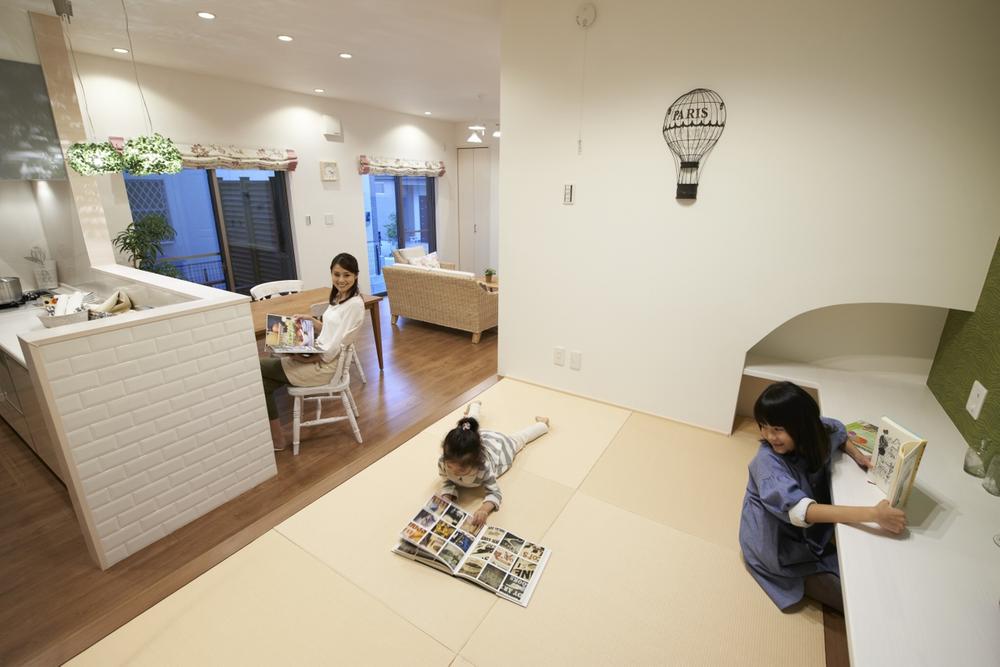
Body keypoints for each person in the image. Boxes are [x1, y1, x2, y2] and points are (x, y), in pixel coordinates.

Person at [739, 381, 907, 612]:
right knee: (858, 600)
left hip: (803, 534)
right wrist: (873, 514)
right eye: (764, 427)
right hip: (776, 545)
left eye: (777, 429)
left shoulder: (816, 433)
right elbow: (802, 512)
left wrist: (856, 454)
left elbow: (838, 430)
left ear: (802, 426)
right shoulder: (767, 464)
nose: (769, 436)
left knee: (868, 575)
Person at [259, 253, 365, 451]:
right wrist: (311, 322)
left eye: (347, 275)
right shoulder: (340, 298)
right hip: (319, 355)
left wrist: (304, 357)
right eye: (337, 274)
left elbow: (334, 349)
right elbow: (331, 331)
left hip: (323, 367)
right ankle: (277, 438)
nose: (341, 280)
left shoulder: (354, 305)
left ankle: (277, 439)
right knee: (263, 382)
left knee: (257, 367)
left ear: (356, 276)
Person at [438, 401, 550, 532]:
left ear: (476, 461)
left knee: (520, 438)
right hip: (471, 441)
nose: (455, 472)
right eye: (450, 466)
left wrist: (484, 510)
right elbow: (447, 480)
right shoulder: (444, 461)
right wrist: (447, 496)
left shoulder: (483, 469)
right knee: (469, 425)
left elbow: (495, 493)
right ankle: (474, 405)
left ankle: (543, 424)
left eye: (461, 469)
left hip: (500, 449)